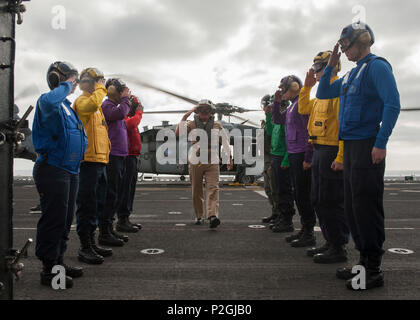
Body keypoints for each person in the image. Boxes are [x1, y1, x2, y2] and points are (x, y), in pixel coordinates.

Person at [316, 23, 401, 290]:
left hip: (367, 145)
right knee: (353, 208)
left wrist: (381, 142)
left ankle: (373, 270)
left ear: (361, 42)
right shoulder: (352, 75)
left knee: (366, 206)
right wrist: (331, 65)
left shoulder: (377, 67)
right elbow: (322, 91)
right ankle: (363, 263)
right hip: (350, 146)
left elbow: (392, 103)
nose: (343, 50)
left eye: (345, 45)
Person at [32, 61, 87, 288]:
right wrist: (64, 84)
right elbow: (50, 99)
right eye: (71, 80)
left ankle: (59, 262)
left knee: (65, 220)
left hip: (70, 169)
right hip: (52, 168)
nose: (74, 85)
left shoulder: (66, 105)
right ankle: (49, 272)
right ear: (58, 80)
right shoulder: (48, 101)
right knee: (54, 220)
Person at [299, 51, 350, 262]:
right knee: (318, 200)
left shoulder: (337, 90)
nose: (315, 71)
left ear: (332, 66)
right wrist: (307, 86)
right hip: (319, 150)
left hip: (331, 151)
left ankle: (339, 247)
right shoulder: (321, 93)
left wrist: (341, 156)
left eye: (319, 67)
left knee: (332, 201)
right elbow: (303, 108)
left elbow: (344, 125)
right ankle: (329, 242)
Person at [73, 67, 114, 265]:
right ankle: (84, 247)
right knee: (87, 205)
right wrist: (101, 89)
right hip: (88, 161)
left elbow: (102, 133)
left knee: (98, 204)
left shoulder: (97, 107)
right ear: (88, 83)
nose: (101, 85)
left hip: (100, 161)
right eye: (97, 81)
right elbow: (90, 105)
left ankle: (92, 241)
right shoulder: (83, 101)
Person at [175, 100, 233, 228]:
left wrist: (229, 157)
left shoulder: (217, 125)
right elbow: (178, 133)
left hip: (212, 160)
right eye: (201, 110)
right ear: (198, 111)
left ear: (211, 111)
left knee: (213, 188)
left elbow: (225, 142)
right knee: (196, 190)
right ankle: (199, 215)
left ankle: (212, 216)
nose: (204, 113)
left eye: (207, 110)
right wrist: (187, 115)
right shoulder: (191, 124)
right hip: (196, 160)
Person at [277, 75, 317, 248]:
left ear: (293, 87)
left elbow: (310, 130)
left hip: (301, 154)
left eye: (283, 89)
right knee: (299, 194)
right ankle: (304, 229)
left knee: (303, 194)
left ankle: (309, 232)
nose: (282, 92)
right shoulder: (293, 105)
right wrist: (278, 103)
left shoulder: (301, 104)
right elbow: (278, 119)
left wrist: (309, 157)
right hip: (294, 153)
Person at [100, 78, 134, 246]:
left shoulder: (115, 107)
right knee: (110, 193)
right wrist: (127, 98)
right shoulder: (107, 106)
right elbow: (121, 113)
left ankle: (109, 228)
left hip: (119, 155)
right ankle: (104, 232)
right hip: (112, 155)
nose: (126, 94)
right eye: (123, 91)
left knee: (115, 193)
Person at [266, 93, 296, 233]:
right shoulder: (278, 120)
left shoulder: (286, 119)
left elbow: (290, 141)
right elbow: (270, 130)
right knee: (278, 190)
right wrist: (268, 116)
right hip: (275, 157)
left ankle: (287, 221)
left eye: (275, 105)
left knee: (285, 190)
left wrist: (285, 159)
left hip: (283, 158)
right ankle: (281, 217)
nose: (273, 108)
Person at [117, 95, 144, 231]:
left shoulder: (132, 118)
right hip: (126, 157)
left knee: (130, 189)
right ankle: (121, 220)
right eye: (136, 106)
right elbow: (131, 124)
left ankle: (126, 218)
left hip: (133, 157)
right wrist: (139, 112)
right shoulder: (125, 118)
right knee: (125, 189)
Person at [260, 95, 279, 224]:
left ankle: (280, 214)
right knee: (267, 187)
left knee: (275, 187)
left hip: (274, 155)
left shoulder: (277, 118)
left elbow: (272, 134)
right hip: (266, 156)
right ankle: (275, 211)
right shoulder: (266, 120)